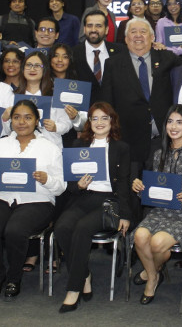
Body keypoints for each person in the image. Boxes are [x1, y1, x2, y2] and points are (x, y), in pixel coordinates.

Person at [0, 100, 65, 301]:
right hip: (0, 197)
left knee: (15, 230)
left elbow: (60, 187)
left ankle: (14, 279)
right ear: (11, 120)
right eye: (16, 117)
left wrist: (47, 179)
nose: (22, 122)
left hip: (37, 200)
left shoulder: (49, 147)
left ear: (36, 121)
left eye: (28, 117)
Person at [131, 105, 182, 304]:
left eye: (179, 122)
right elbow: (154, 190)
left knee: (157, 243)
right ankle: (153, 274)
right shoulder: (160, 153)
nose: (174, 127)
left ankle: (150, 276)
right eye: (170, 122)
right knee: (139, 236)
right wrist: (140, 187)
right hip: (161, 211)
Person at [54, 102, 133, 313]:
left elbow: (124, 183)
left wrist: (125, 215)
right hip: (82, 198)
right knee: (62, 227)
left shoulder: (121, 148)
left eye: (104, 118)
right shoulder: (77, 145)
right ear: (88, 122)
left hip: (109, 202)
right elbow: (69, 183)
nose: (99, 122)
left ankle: (73, 288)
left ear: (112, 121)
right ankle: (84, 274)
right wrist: (77, 185)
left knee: (82, 228)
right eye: (94, 118)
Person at [100, 17, 182, 169]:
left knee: (159, 189)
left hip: (163, 140)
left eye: (143, 31)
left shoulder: (166, 58)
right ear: (126, 39)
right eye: (133, 32)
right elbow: (107, 103)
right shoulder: (112, 64)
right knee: (130, 188)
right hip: (128, 141)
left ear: (152, 37)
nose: (138, 35)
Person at [15, 51, 78, 149]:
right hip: (21, 148)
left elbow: (66, 122)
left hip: (50, 147)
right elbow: (6, 129)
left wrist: (56, 127)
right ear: (23, 69)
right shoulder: (14, 96)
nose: (32, 69)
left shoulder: (55, 95)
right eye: (29, 65)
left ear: (44, 70)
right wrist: (5, 119)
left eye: (37, 66)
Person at [74, 10, 127, 105]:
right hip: (84, 114)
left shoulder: (121, 51)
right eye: (90, 25)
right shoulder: (73, 53)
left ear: (106, 29)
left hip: (115, 112)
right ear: (84, 29)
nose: (93, 29)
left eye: (98, 26)